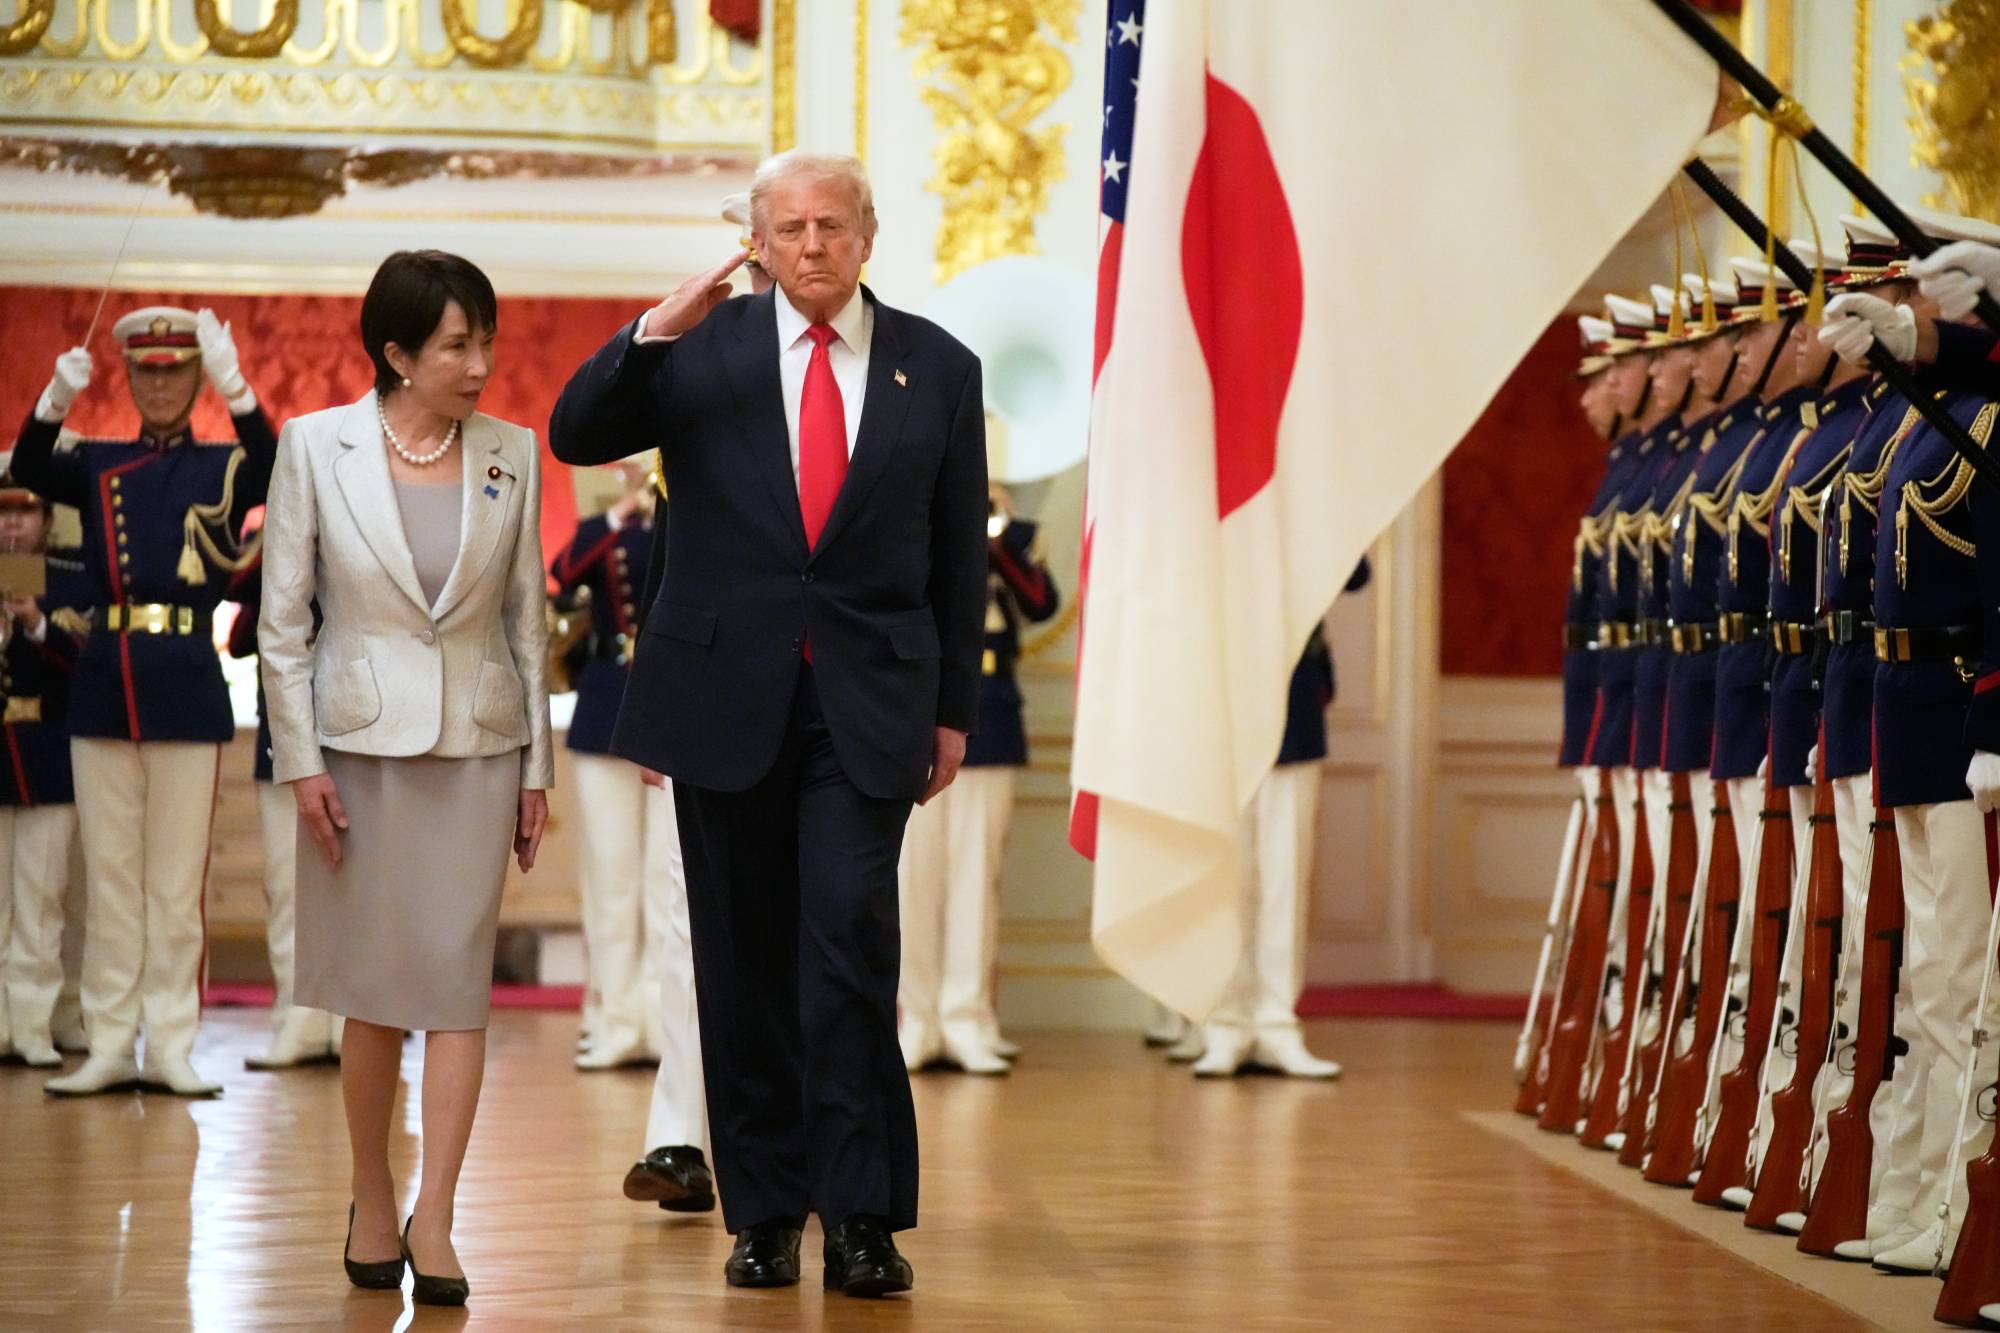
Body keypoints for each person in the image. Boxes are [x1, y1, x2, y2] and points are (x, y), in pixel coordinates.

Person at [550, 150, 987, 1299]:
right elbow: (573, 431)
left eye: (830, 224)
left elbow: (955, 558)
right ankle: (762, 1216)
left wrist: (952, 712)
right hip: (722, 699)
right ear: (758, 241)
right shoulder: (702, 350)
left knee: (849, 948)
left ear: (866, 236)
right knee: (740, 963)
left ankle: (861, 1218)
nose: (810, 245)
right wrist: (656, 327)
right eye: (787, 228)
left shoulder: (938, 367)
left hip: (866, 708)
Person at [259, 250, 553, 1306]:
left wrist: (537, 770)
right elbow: (282, 627)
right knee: (374, 996)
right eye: (456, 346)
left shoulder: (512, 450)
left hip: (479, 750)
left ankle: (437, 1214)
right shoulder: (314, 446)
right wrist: (300, 763)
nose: (479, 365)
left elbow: (527, 622)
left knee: (458, 991)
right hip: (356, 754)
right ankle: (372, 1193)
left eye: (486, 342)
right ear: (396, 352)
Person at [14, 305, 274, 1098]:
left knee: (173, 886)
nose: (160, 388)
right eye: (146, 374)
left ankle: (169, 1043)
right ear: (127, 377)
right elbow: (29, 465)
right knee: (111, 880)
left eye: (176, 372)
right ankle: (108, 1042)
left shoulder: (222, 465)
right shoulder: (98, 460)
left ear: (194, 379)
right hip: (103, 681)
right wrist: (55, 398)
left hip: (184, 682)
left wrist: (237, 387)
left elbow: (273, 465)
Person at [897, 480, 1059, 1075]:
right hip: (913, 716)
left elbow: (1041, 602)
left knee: (976, 880)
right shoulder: (910, 520)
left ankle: (967, 1017)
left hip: (990, 720)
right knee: (912, 882)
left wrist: (994, 537)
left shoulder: (1015, 538)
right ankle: (915, 1018)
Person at [1192, 558, 1369, 1079]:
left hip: (1294, 696)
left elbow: (1354, 572)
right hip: (1222, 691)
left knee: (1286, 875)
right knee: (1228, 876)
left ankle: (1276, 1023)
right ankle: (1224, 1024)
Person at [225, 533, 343, 1070]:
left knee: (361, 889)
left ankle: (355, 1024)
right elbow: (238, 607)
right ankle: (298, 1022)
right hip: (284, 738)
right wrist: (282, 532)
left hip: (358, 730)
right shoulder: (274, 542)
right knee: (287, 885)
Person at [0, 472, 82, 1069]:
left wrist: (34, 622)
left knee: (41, 899)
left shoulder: (70, 579)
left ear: (47, 521)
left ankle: (31, 1025)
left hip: (47, 756)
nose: (12, 523)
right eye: (3, 513)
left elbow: (85, 662)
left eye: (25, 512)